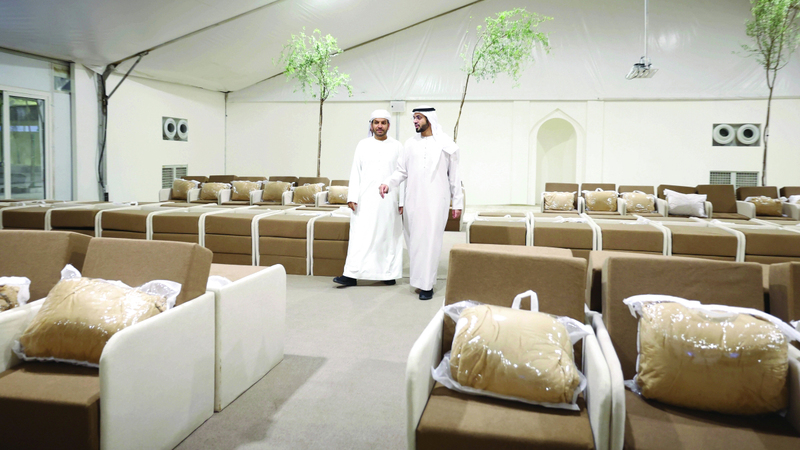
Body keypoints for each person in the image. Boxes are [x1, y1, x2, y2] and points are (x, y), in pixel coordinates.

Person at [379, 106, 463, 300]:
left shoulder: (446, 144)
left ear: (429, 119)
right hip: (413, 200)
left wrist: (457, 202)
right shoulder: (410, 144)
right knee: (415, 241)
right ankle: (418, 281)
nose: (415, 121)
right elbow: (401, 171)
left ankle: (427, 285)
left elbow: (455, 176)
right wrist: (388, 183)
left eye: (418, 117)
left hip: (436, 201)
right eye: (414, 118)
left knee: (431, 241)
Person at [333, 110, 404, 287]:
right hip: (364, 200)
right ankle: (351, 274)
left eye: (383, 122)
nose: (379, 126)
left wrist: (402, 201)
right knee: (360, 237)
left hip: (389, 200)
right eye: (376, 122)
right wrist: (352, 196)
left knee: (387, 237)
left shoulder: (397, 146)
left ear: (388, 125)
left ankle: (388, 274)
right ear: (371, 125)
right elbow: (355, 172)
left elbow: (402, 174)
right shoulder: (362, 145)